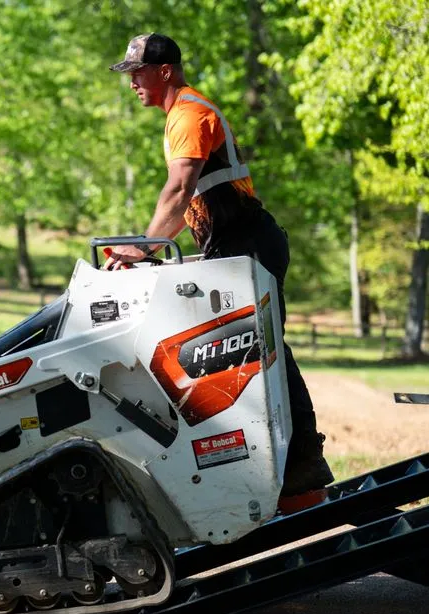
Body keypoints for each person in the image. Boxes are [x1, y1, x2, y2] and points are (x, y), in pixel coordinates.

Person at [104, 33, 333, 500]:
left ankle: (303, 463)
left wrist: (141, 249)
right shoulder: (181, 115)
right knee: (243, 354)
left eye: (137, 72)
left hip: (248, 244)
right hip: (235, 244)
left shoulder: (189, 113)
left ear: (165, 70)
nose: (132, 83)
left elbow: (179, 190)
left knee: (264, 350)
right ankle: (273, 464)